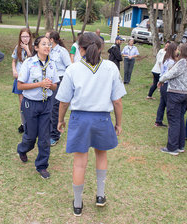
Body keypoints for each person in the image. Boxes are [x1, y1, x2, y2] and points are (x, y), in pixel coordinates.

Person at [56, 32, 126, 216]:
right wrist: (118, 123)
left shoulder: (73, 69)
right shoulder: (111, 68)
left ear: (80, 49)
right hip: (102, 118)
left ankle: (78, 204)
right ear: (101, 47)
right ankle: (100, 196)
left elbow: (64, 102)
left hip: (80, 119)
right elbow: (117, 101)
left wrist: (60, 119)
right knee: (101, 155)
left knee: (80, 163)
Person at [17, 36, 59, 179]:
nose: (47, 47)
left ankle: (41, 165)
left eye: (49, 44)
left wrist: (50, 84)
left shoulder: (52, 64)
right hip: (30, 103)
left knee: (44, 138)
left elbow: (55, 87)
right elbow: (20, 85)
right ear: (36, 48)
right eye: (44, 44)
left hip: (46, 103)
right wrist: (39, 84)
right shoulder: (29, 63)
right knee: (30, 136)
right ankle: (22, 149)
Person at [158, 43, 187, 155]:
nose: (178, 51)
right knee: (179, 120)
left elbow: (170, 74)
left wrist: (161, 80)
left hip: (176, 94)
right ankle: (180, 145)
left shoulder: (183, 62)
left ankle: (172, 147)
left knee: (174, 121)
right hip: (185, 94)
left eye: (180, 49)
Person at [48, 31, 71, 146]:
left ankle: (54, 135)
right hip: (50, 80)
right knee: (49, 106)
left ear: (52, 39)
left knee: (55, 107)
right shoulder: (48, 51)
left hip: (60, 80)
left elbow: (69, 67)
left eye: (47, 38)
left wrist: (65, 83)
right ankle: (50, 130)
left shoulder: (62, 51)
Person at [12, 28, 33, 134]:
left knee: (29, 101)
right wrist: (14, 70)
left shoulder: (34, 47)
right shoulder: (17, 48)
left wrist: (27, 48)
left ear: (30, 37)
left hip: (29, 79)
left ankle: (30, 123)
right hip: (19, 78)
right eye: (23, 36)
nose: (25, 39)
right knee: (21, 102)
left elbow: (32, 59)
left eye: (27, 36)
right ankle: (23, 123)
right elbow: (14, 60)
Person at [155, 43, 178, 127]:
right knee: (169, 105)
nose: (177, 51)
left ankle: (158, 120)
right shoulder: (171, 62)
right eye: (176, 49)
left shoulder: (166, 59)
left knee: (162, 103)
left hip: (163, 83)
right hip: (167, 84)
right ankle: (170, 122)